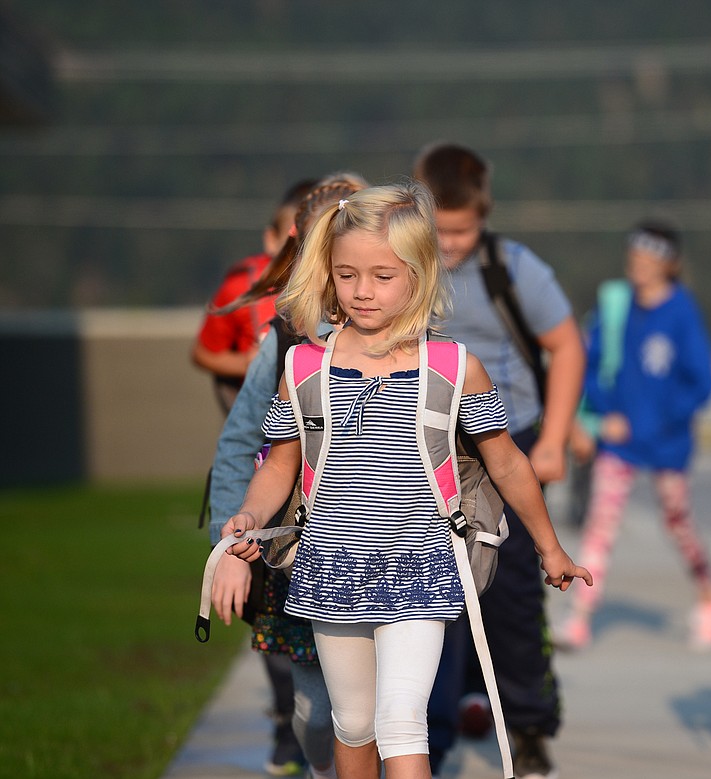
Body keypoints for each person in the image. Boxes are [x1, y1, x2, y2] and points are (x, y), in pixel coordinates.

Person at [222, 181, 592, 779]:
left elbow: (506, 462)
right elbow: (282, 464)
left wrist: (550, 548)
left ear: (419, 276)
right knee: (354, 723)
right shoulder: (304, 367)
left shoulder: (452, 368)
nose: (362, 291)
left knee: (400, 718)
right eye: (347, 275)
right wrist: (248, 516)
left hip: (421, 564)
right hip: (329, 567)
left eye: (382, 276)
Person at [413, 142, 586, 779]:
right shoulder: (402, 270)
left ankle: (529, 724)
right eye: (442, 229)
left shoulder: (512, 269)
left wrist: (554, 439)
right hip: (427, 456)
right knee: (427, 601)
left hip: (504, 447)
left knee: (511, 597)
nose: (452, 243)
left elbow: (565, 347)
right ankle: (432, 732)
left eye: (465, 229)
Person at [209, 172, 370, 779]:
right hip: (303, 558)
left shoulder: (411, 339)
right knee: (319, 713)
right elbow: (240, 448)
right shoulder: (282, 346)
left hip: (399, 555)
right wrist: (230, 545)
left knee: (394, 710)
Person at [553, 220, 711, 652]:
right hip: (619, 442)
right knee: (601, 526)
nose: (640, 268)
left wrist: (654, 421)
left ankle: (709, 597)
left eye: (650, 261)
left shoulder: (682, 311)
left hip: (667, 443)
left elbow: (701, 383)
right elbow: (589, 362)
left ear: (670, 265)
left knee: (678, 522)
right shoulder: (616, 305)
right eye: (635, 259)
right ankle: (581, 616)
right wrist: (601, 412)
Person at [193, 178, 317, 414]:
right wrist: (247, 363)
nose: (305, 259)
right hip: (258, 418)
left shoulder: (346, 289)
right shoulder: (242, 287)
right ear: (271, 239)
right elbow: (203, 352)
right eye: (294, 246)